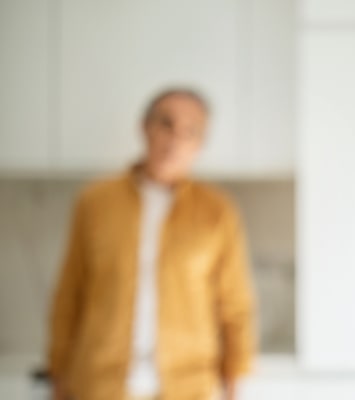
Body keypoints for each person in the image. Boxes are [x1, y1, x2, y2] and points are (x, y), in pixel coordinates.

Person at [48, 88, 256, 400]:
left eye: (190, 131)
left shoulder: (217, 212)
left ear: (200, 143)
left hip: (188, 386)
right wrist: (58, 372)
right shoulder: (94, 203)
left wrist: (235, 380)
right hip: (98, 382)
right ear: (145, 127)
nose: (175, 140)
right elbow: (69, 292)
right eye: (166, 124)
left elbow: (236, 304)